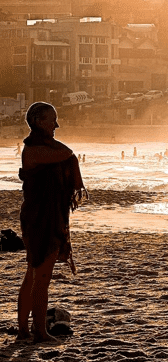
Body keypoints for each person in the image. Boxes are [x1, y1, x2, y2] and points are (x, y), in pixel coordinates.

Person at [17, 102, 86, 344]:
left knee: (33, 275)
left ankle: (24, 330)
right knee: (41, 277)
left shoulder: (39, 148)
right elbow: (66, 153)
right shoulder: (34, 150)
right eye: (52, 120)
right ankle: (39, 332)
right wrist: (71, 159)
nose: (56, 125)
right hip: (40, 220)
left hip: (43, 217)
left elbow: (65, 154)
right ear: (37, 122)